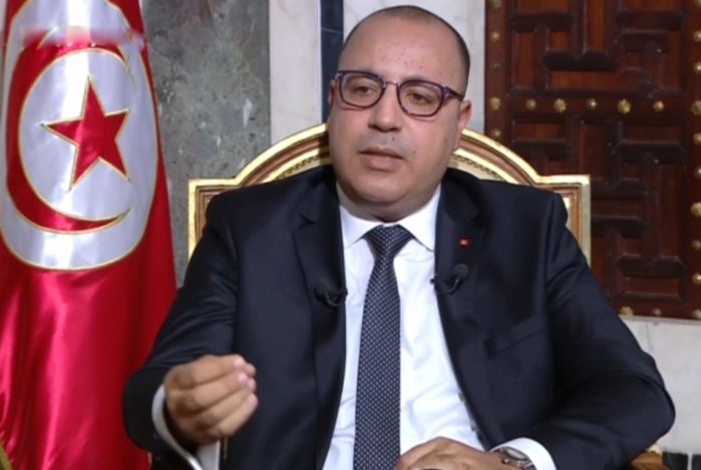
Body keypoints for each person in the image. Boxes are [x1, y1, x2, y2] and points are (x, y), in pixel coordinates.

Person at [123, 5, 674, 470]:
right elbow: (149, 396)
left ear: (459, 122)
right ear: (334, 101)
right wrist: (177, 406)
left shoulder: (526, 230)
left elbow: (634, 392)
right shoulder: (250, 229)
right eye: (363, 89)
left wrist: (511, 463)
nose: (385, 118)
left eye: (421, 97)